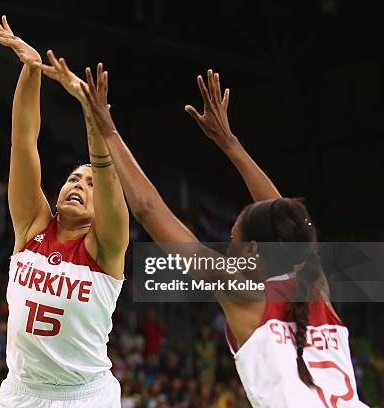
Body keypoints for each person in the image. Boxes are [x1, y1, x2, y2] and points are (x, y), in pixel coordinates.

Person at [80, 67, 368, 407]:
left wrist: (109, 132)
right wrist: (229, 143)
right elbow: (285, 219)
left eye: (233, 240)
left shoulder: (245, 294)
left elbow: (147, 209)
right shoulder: (315, 286)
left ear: (253, 249)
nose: (228, 250)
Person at [0, 14, 129, 407]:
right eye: (72, 178)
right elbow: (23, 141)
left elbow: (107, 171)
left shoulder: (106, 248)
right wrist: (30, 69)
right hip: (21, 392)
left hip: (85, 396)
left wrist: (89, 109)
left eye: (89, 184)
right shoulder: (32, 226)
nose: (78, 185)